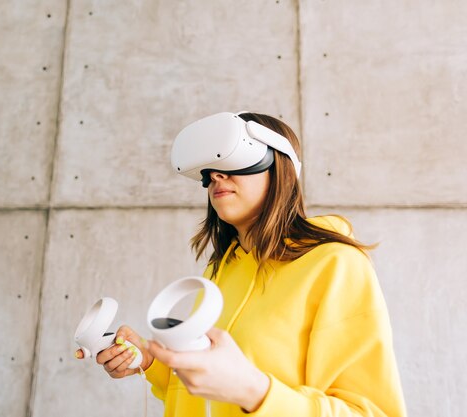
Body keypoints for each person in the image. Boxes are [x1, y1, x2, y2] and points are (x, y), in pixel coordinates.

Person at [78, 112, 407, 417]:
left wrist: (254, 392)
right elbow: (204, 391)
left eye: (236, 160)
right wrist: (150, 360)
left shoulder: (335, 266)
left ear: (281, 168)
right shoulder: (220, 270)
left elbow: (371, 411)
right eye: (209, 171)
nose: (216, 175)